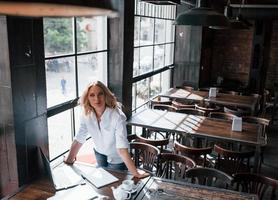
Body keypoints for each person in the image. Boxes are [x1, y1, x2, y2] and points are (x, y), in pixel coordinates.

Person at [64, 81, 149, 179]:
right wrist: (69, 159)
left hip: (116, 157)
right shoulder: (86, 115)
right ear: (87, 98)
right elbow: (79, 138)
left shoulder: (117, 116)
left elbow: (121, 149)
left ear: (105, 95)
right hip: (99, 153)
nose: (97, 99)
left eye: (100, 94)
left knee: (115, 185)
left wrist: (136, 173)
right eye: (92, 95)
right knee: (103, 184)